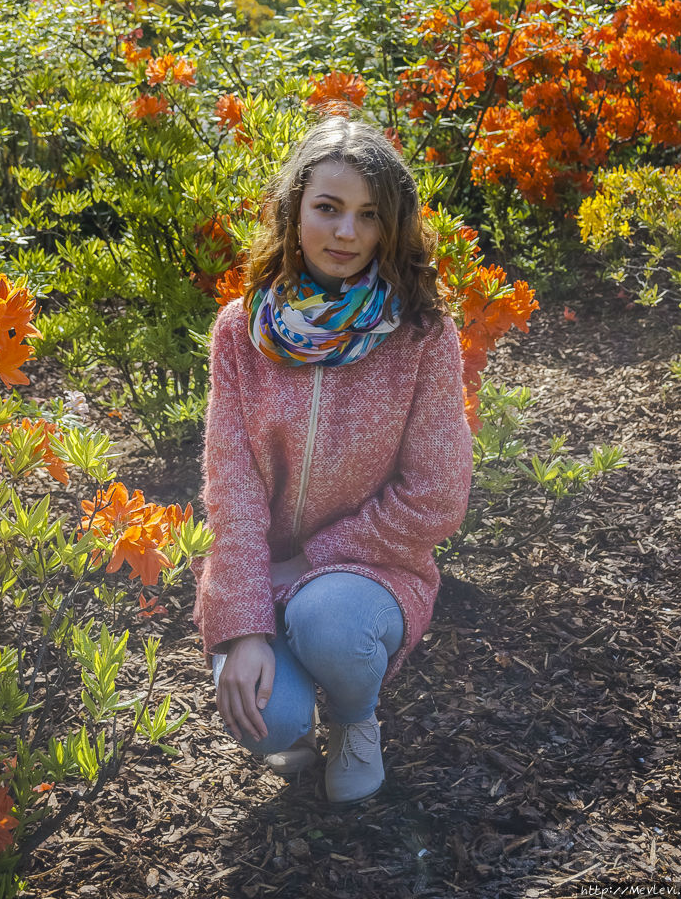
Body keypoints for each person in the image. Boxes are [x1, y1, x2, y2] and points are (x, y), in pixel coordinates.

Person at [193, 115, 474, 804]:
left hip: (371, 574)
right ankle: (293, 702)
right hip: (265, 571)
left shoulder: (420, 334)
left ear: (391, 227)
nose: (345, 233)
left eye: (367, 216)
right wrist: (245, 623)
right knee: (264, 720)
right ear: (294, 213)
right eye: (327, 208)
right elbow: (228, 489)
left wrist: (314, 559)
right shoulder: (240, 331)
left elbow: (436, 494)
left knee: (329, 622)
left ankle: (354, 718)